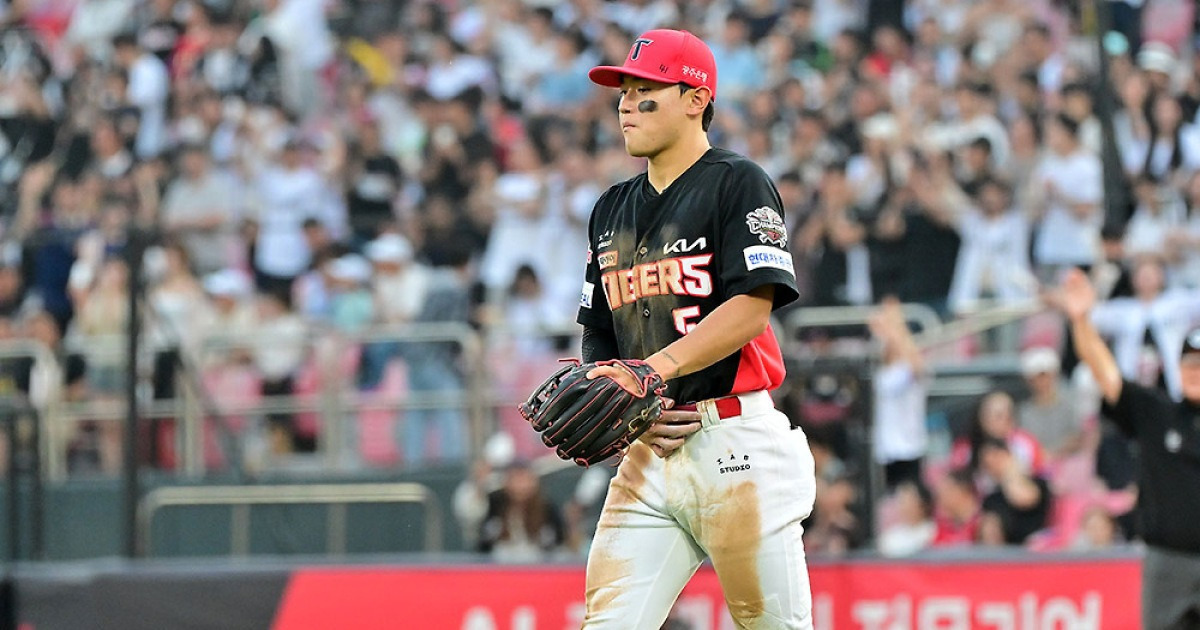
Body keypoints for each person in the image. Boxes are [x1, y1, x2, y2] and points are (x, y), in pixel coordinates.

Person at [575, 29, 815, 628]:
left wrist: (650, 373)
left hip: (734, 443)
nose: (626, 104)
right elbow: (598, 329)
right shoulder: (610, 207)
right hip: (650, 449)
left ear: (694, 97)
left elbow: (752, 308)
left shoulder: (737, 181)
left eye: (644, 91)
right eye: (622, 93)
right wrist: (625, 403)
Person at [1058, 267, 1200, 629]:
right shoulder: (1157, 411)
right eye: (1188, 362)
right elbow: (1106, 373)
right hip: (1168, 561)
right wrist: (1081, 320)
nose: (1194, 371)